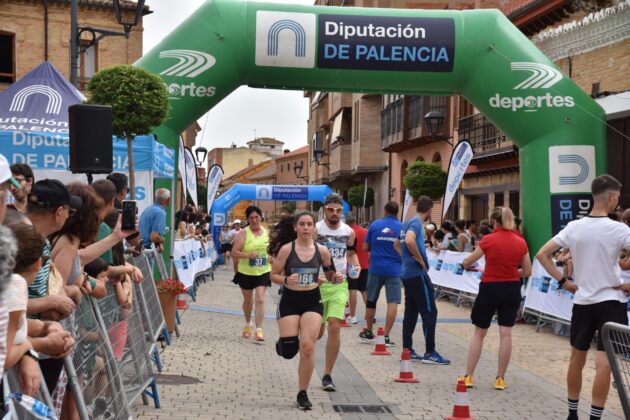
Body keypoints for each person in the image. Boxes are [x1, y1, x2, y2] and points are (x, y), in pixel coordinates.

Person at [536, 174, 630, 420]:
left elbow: (542, 254)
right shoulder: (619, 229)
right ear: (611, 196)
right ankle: (595, 417)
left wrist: (564, 282)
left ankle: (572, 414)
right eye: (617, 197)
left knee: (577, 358)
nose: (617, 202)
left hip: (583, 301)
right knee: (605, 364)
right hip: (612, 302)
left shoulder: (574, 227)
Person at [268, 212, 342, 410]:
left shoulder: (322, 251)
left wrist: (336, 278)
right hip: (290, 301)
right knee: (289, 351)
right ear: (296, 228)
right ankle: (284, 342)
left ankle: (302, 393)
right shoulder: (286, 250)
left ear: (314, 228)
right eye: (302, 224)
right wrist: (285, 279)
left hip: (312, 300)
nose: (306, 228)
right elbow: (273, 275)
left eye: (309, 224)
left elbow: (331, 275)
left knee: (308, 346)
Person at [460, 206, 531, 390]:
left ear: (494, 222)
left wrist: (465, 264)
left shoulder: (488, 240)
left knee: (479, 332)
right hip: (512, 288)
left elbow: (468, 261)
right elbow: (527, 270)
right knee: (506, 334)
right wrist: (511, 272)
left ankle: (469, 376)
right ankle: (500, 379)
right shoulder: (520, 242)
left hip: (490, 287)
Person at [395, 195, 450, 365]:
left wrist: (406, 259)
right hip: (417, 274)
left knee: (411, 312)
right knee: (430, 312)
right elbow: (409, 240)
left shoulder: (406, 223)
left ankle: (407, 350)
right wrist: (419, 260)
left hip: (407, 273)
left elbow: (396, 244)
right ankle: (430, 352)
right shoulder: (416, 223)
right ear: (429, 210)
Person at [315, 193, 359, 392]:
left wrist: (356, 266)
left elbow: (351, 254)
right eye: (331, 210)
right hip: (317, 284)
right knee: (317, 332)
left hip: (339, 284)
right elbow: (308, 252)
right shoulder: (316, 229)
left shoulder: (349, 232)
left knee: (334, 326)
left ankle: (327, 374)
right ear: (325, 210)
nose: (334, 213)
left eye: (338, 210)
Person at [360, 201, 402, 346]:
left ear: (385, 210)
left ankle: (369, 331)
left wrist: (376, 247)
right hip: (394, 270)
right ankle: (386, 336)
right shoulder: (402, 227)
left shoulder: (375, 225)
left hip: (375, 268)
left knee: (371, 300)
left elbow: (365, 247)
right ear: (397, 212)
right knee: (393, 302)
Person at [231, 206, 271, 341]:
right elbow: (234, 252)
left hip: (263, 270)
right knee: (248, 300)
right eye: (251, 218)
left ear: (261, 217)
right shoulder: (243, 233)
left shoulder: (267, 232)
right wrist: (248, 255)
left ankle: (259, 330)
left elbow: (272, 249)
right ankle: (248, 324)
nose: (254, 220)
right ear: (248, 219)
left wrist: (271, 257)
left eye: (256, 217)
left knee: (260, 299)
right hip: (246, 272)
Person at [345, 212, 369, 324]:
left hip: (352, 264)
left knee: (352, 290)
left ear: (346, 221)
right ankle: (370, 315)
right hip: (364, 264)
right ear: (356, 220)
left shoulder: (346, 232)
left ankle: (353, 316)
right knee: (364, 290)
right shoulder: (365, 231)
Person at [139, 188, 170, 253]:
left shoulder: (148, 209)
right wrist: (162, 240)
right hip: (145, 250)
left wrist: (159, 243)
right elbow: (154, 237)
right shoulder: (160, 213)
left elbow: (151, 232)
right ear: (168, 200)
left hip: (138, 247)